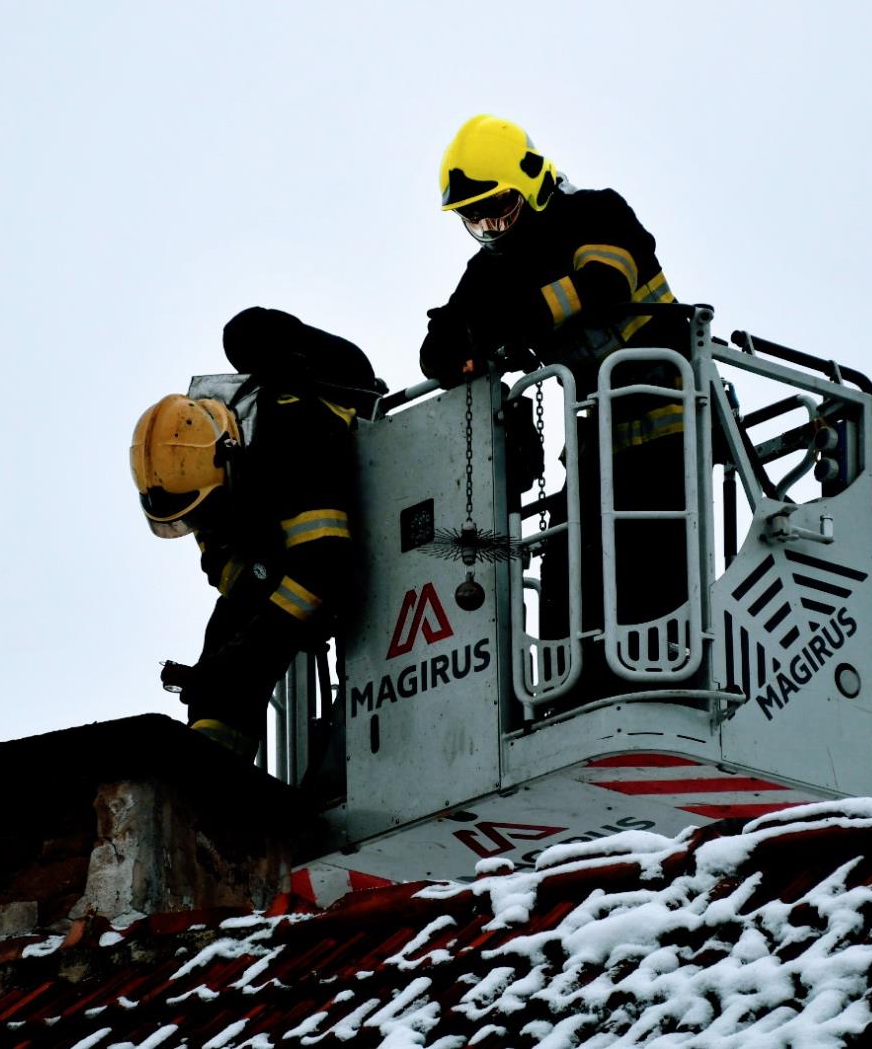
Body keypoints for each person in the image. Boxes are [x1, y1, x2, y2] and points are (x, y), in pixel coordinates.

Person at [420, 114, 689, 640]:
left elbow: (606, 282)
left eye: (498, 207)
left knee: (652, 578)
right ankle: (575, 679)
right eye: (474, 217)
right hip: (598, 444)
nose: (490, 225)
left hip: (672, 424)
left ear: (532, 183)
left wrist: (510, 323)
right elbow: (438, 346)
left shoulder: (595, 213)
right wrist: (461, 353)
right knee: (569, 577)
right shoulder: (490, 271)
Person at [131, 308, 372, 760]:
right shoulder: (197, 477)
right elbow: (223, 566)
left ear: (230, 458)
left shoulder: (294, 432)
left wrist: (252, 648)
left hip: (346, 538)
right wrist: (227, 656)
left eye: (206, 512)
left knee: (244, 648)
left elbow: (324, 567)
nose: (203, 524)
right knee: (226, 637)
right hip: (279, 545)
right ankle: (212, 766)